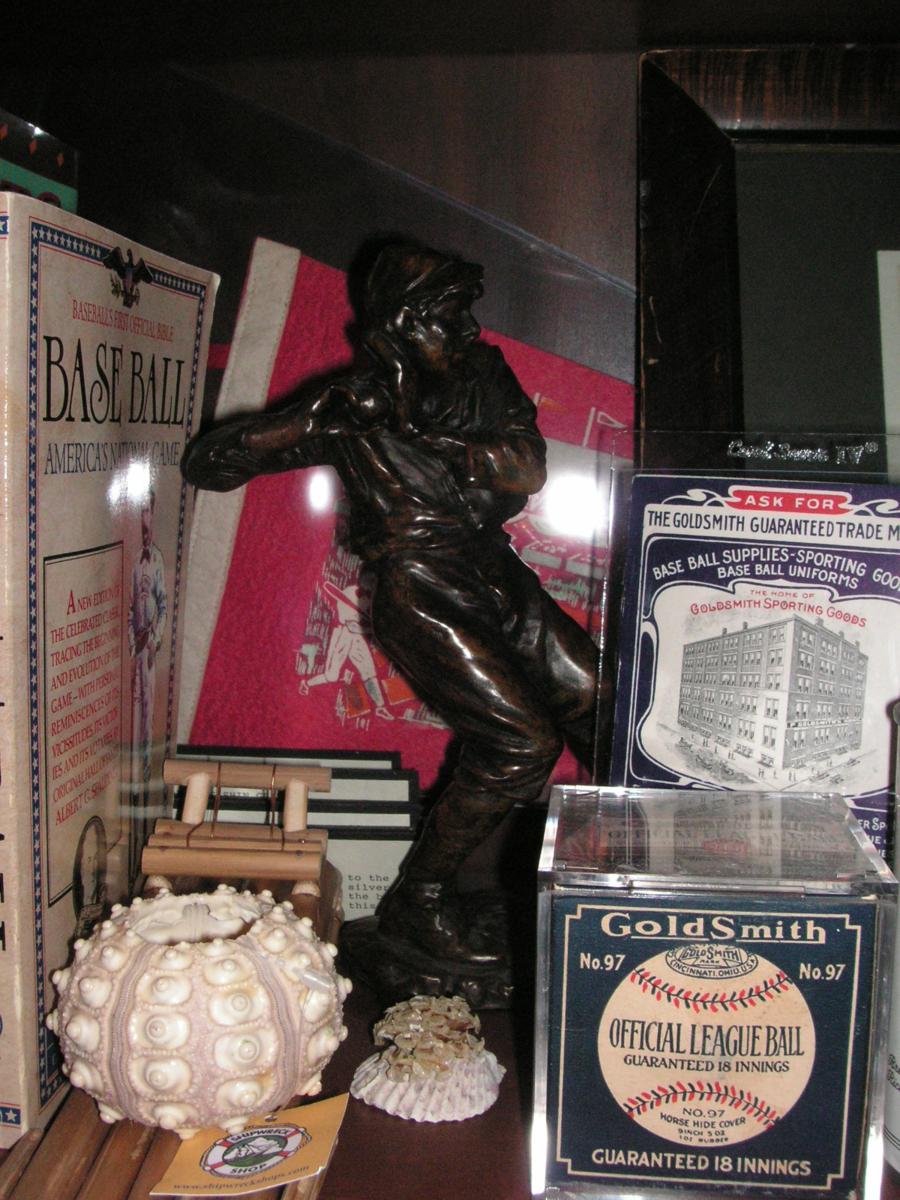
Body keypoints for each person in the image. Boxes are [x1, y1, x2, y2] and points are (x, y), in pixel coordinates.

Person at [182, 242, 600, 964]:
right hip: (421, 588)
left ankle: (619, 869)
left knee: (596, 696)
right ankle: (419, 901)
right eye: (449, 317)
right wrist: (314, 420)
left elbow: (526, 466)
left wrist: (429, 431)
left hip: (494, 570)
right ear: (403, 325)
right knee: (519, 746)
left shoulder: (482, 374)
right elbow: (208, 466)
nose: (468, 330)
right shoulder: (352, 406)